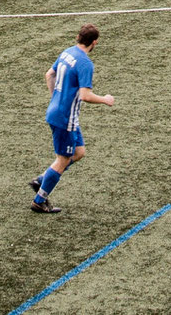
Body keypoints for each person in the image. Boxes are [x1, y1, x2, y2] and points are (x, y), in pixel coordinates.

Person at [31, 25, 114, 214]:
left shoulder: (67, 52)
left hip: (60, 112)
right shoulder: (85, 63)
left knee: (79, 152)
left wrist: (55, 98)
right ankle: (39, 200)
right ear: (94, 43)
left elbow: (49, 74)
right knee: (63, 159)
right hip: (64, 117)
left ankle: (41, 180)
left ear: (78, 37)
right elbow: (85, 95)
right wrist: (105, 100)